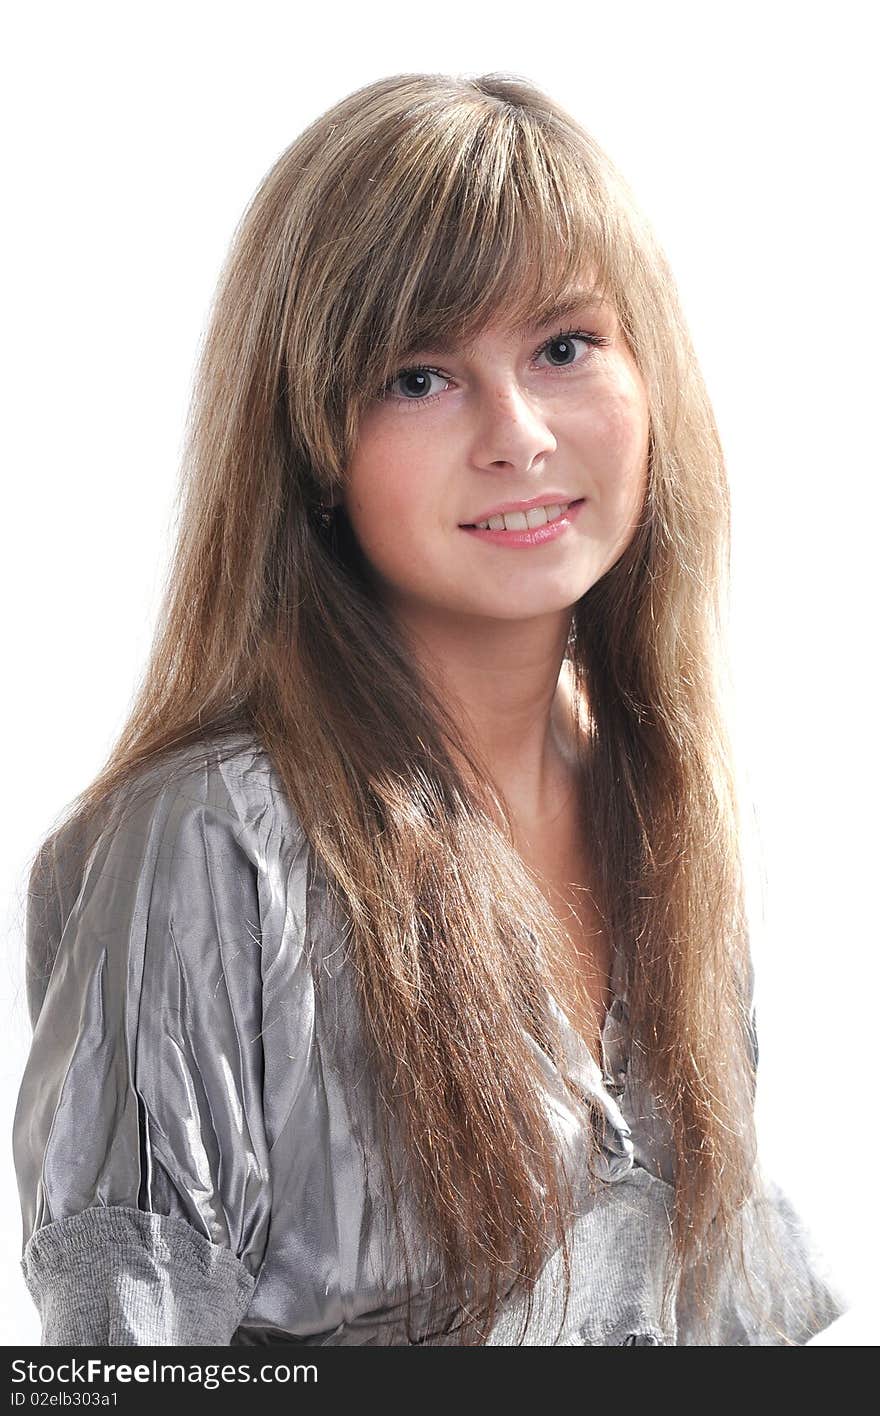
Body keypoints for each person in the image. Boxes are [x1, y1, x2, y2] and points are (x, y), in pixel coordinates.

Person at [13, 70, 848, 1346]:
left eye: (564, 348)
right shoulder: (214, 850)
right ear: (310, 446)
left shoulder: (671, 810)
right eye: (419, 376)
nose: (517, 434)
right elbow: (122, 1370)